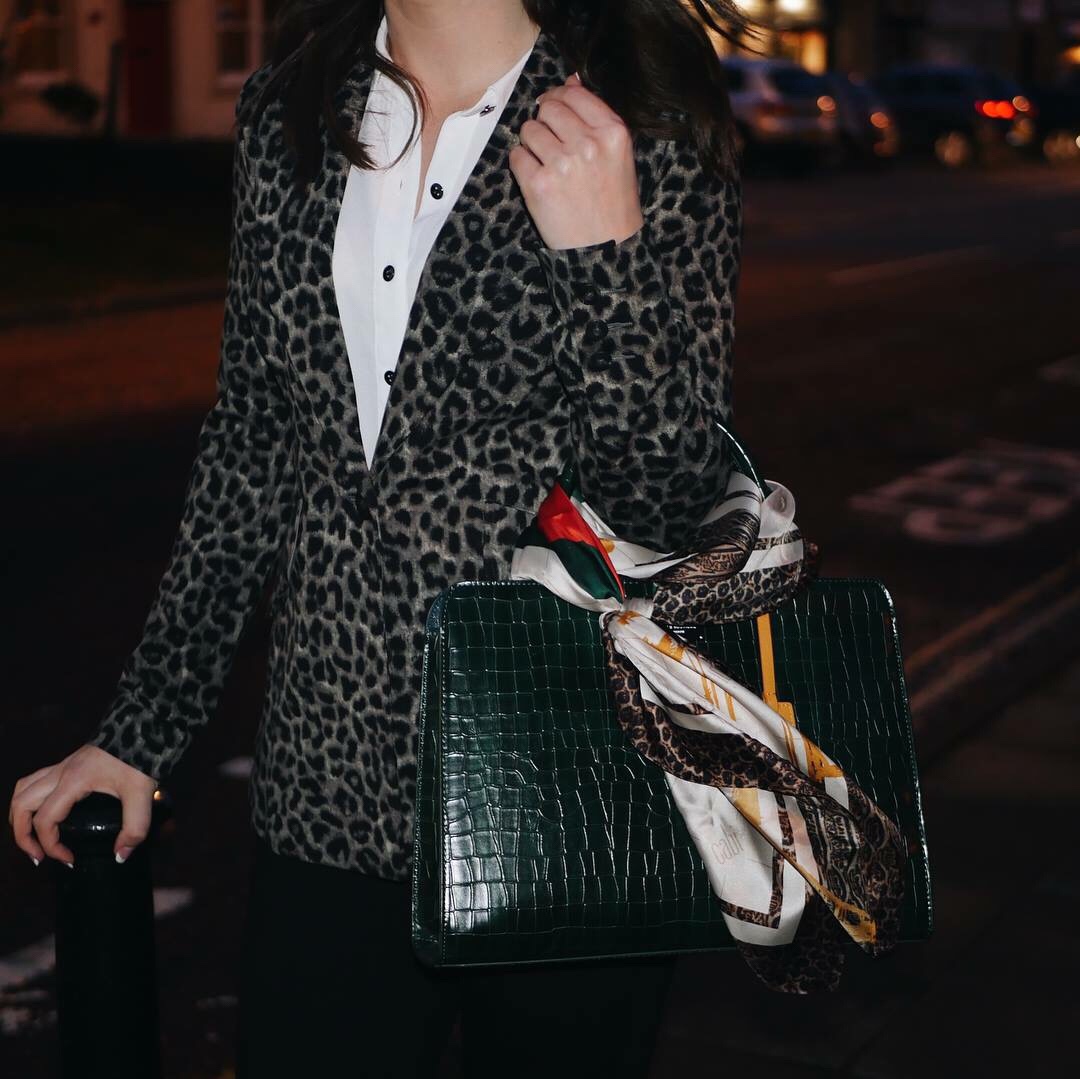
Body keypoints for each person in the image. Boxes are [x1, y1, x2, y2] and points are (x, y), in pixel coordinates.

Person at [8, 0, 750, 1075]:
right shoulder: (293, 107)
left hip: (568, 784)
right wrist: (140, 731)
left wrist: (607, 258)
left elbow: (671, 505)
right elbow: (253, 442)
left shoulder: (635, 114)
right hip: (327, 787)